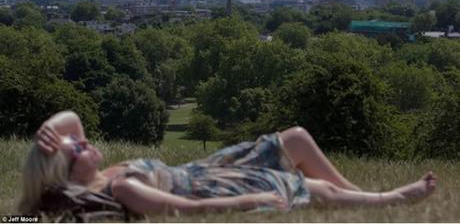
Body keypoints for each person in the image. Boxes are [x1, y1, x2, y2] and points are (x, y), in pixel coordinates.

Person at [19, 111, 437, 215]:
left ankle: (362, 194)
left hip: (209, 165)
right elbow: (191, 209)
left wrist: (48, 135)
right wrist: (250, 199)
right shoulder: (120, 187)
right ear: (68, 169)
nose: (84, 138)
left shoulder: (104, 174)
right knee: (314, 191)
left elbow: (71, 119)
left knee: (294, 139)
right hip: (207, 185)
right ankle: (390, 198)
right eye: (75, 146)